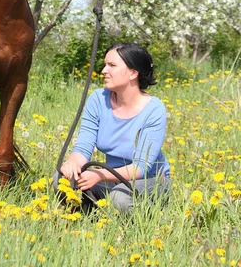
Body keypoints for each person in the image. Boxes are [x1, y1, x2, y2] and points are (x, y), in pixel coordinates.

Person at [54, 42, 171, 213]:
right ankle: (87, 220)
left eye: (112, 65)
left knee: (119, 199)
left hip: (149, 179)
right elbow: (84, 146)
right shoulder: (98, 99)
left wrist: (99, 175)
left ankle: (152, 219)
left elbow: (140, 168)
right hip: (111, 177)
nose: (103, 71)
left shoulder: (154, 109)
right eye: (104, 64)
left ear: (133, 73)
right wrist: (73, 163)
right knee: (61, 179)